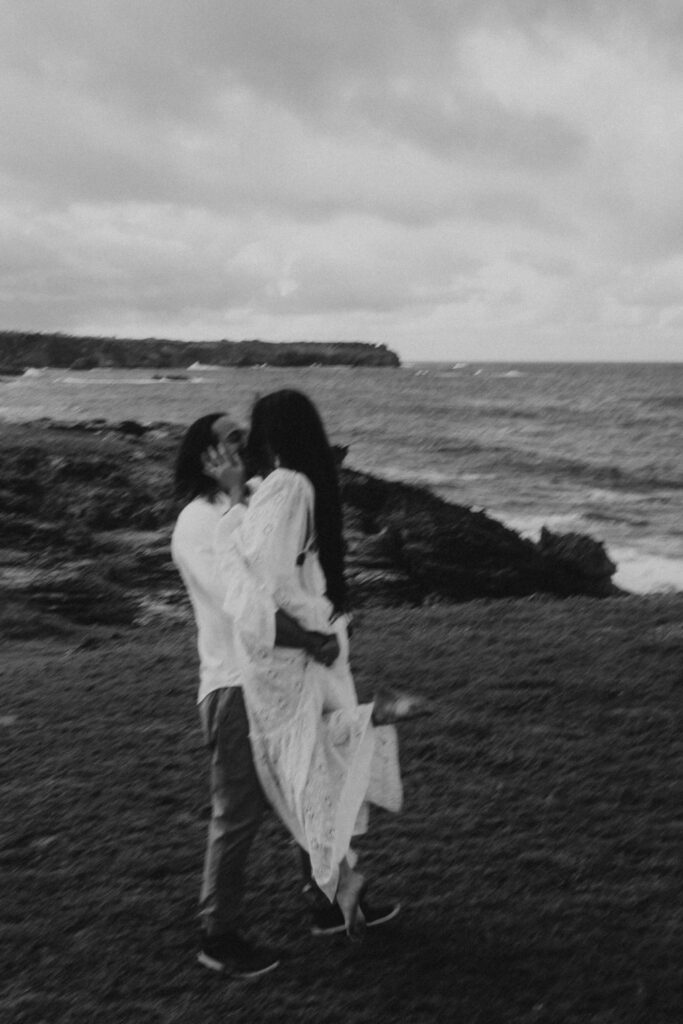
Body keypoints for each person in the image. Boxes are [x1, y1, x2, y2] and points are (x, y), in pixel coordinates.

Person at [171, 413, 403, 977]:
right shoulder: (198, 523)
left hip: (288, 675)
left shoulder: (259, 500)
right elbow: (243, 602)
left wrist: (325, 624)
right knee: (239, 813)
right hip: (234, 684)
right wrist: (312, 640)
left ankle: (327, 902)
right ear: (206, 455)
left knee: (314, 781)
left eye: (247, 438)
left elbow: (292, 574)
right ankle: (217, 935)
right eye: (232, 439)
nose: (245, 446)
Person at [212, 390, 428, 939]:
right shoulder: (304, 484)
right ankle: (336, 889)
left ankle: (337, 885)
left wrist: (234, 498)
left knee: (298, 764)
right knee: (313, 758)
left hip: (289, 645)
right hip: (316, 633)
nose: (246, 446)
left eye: (252, 433)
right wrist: (243, 494)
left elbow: (264, 574)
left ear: (271, 436)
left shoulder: (284, 486)